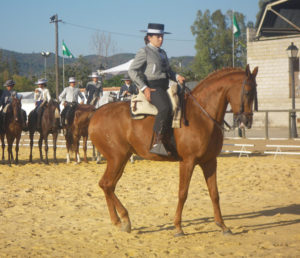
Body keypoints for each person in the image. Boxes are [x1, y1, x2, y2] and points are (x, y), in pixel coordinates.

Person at [128, 23, 185, 156]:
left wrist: (177, 76)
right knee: (165, 108)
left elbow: (168, 71)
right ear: (149, 37)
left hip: (167, 84)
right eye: (158, 36)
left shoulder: (163, 53)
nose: (161, 39)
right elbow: (132, 70)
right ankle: (157, 143)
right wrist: (144, 87)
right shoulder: (144, 51)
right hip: (153, 87)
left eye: (162, 36)